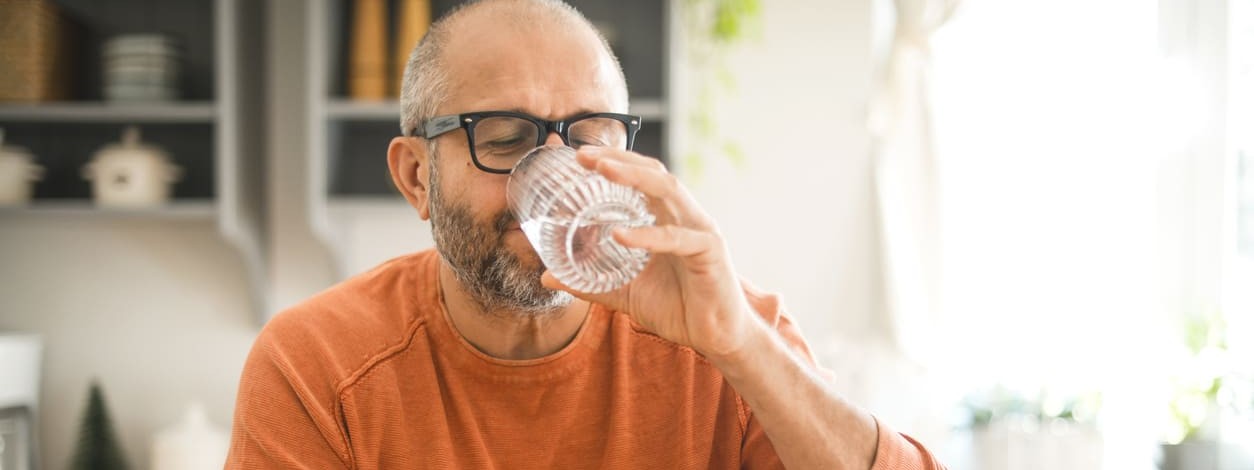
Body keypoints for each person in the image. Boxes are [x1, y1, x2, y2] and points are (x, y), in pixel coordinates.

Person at [226, 0, 945, 468]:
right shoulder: (320, 365)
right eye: (505, 139)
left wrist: (744, 349)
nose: (556, 172)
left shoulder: (725, 336)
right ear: (417, 177)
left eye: (591, 136)